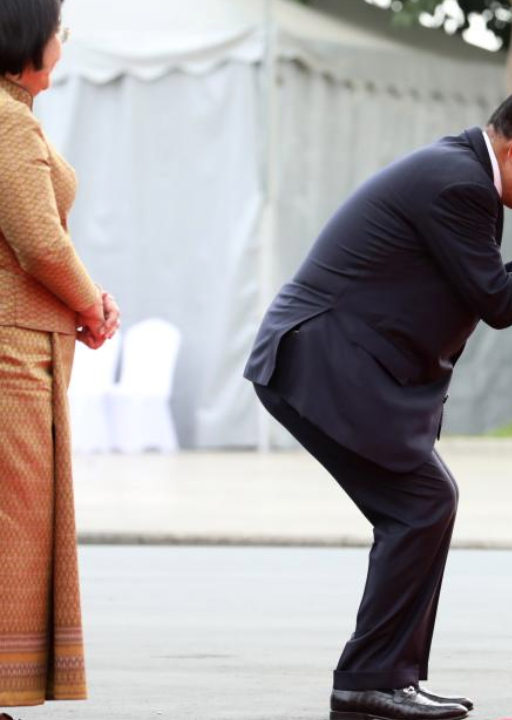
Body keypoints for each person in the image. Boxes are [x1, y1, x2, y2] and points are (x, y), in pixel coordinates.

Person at [245, 87, 512, 720]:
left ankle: (378, 678)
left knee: (420, 505)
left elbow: (491, 286)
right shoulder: (459, 184)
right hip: (321, 361)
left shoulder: (463, 174)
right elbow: (499, 301)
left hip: (332, 361)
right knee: (422, 503)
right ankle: (371, 681)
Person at [0, 0, 121, 709]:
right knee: (15, 522)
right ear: (28, 41)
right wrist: (90, 300)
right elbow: (38, 241)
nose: (62, 45)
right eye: (58, 33)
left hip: (25, 339)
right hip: (13, 349)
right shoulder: (9, 122)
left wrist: (85, 294)